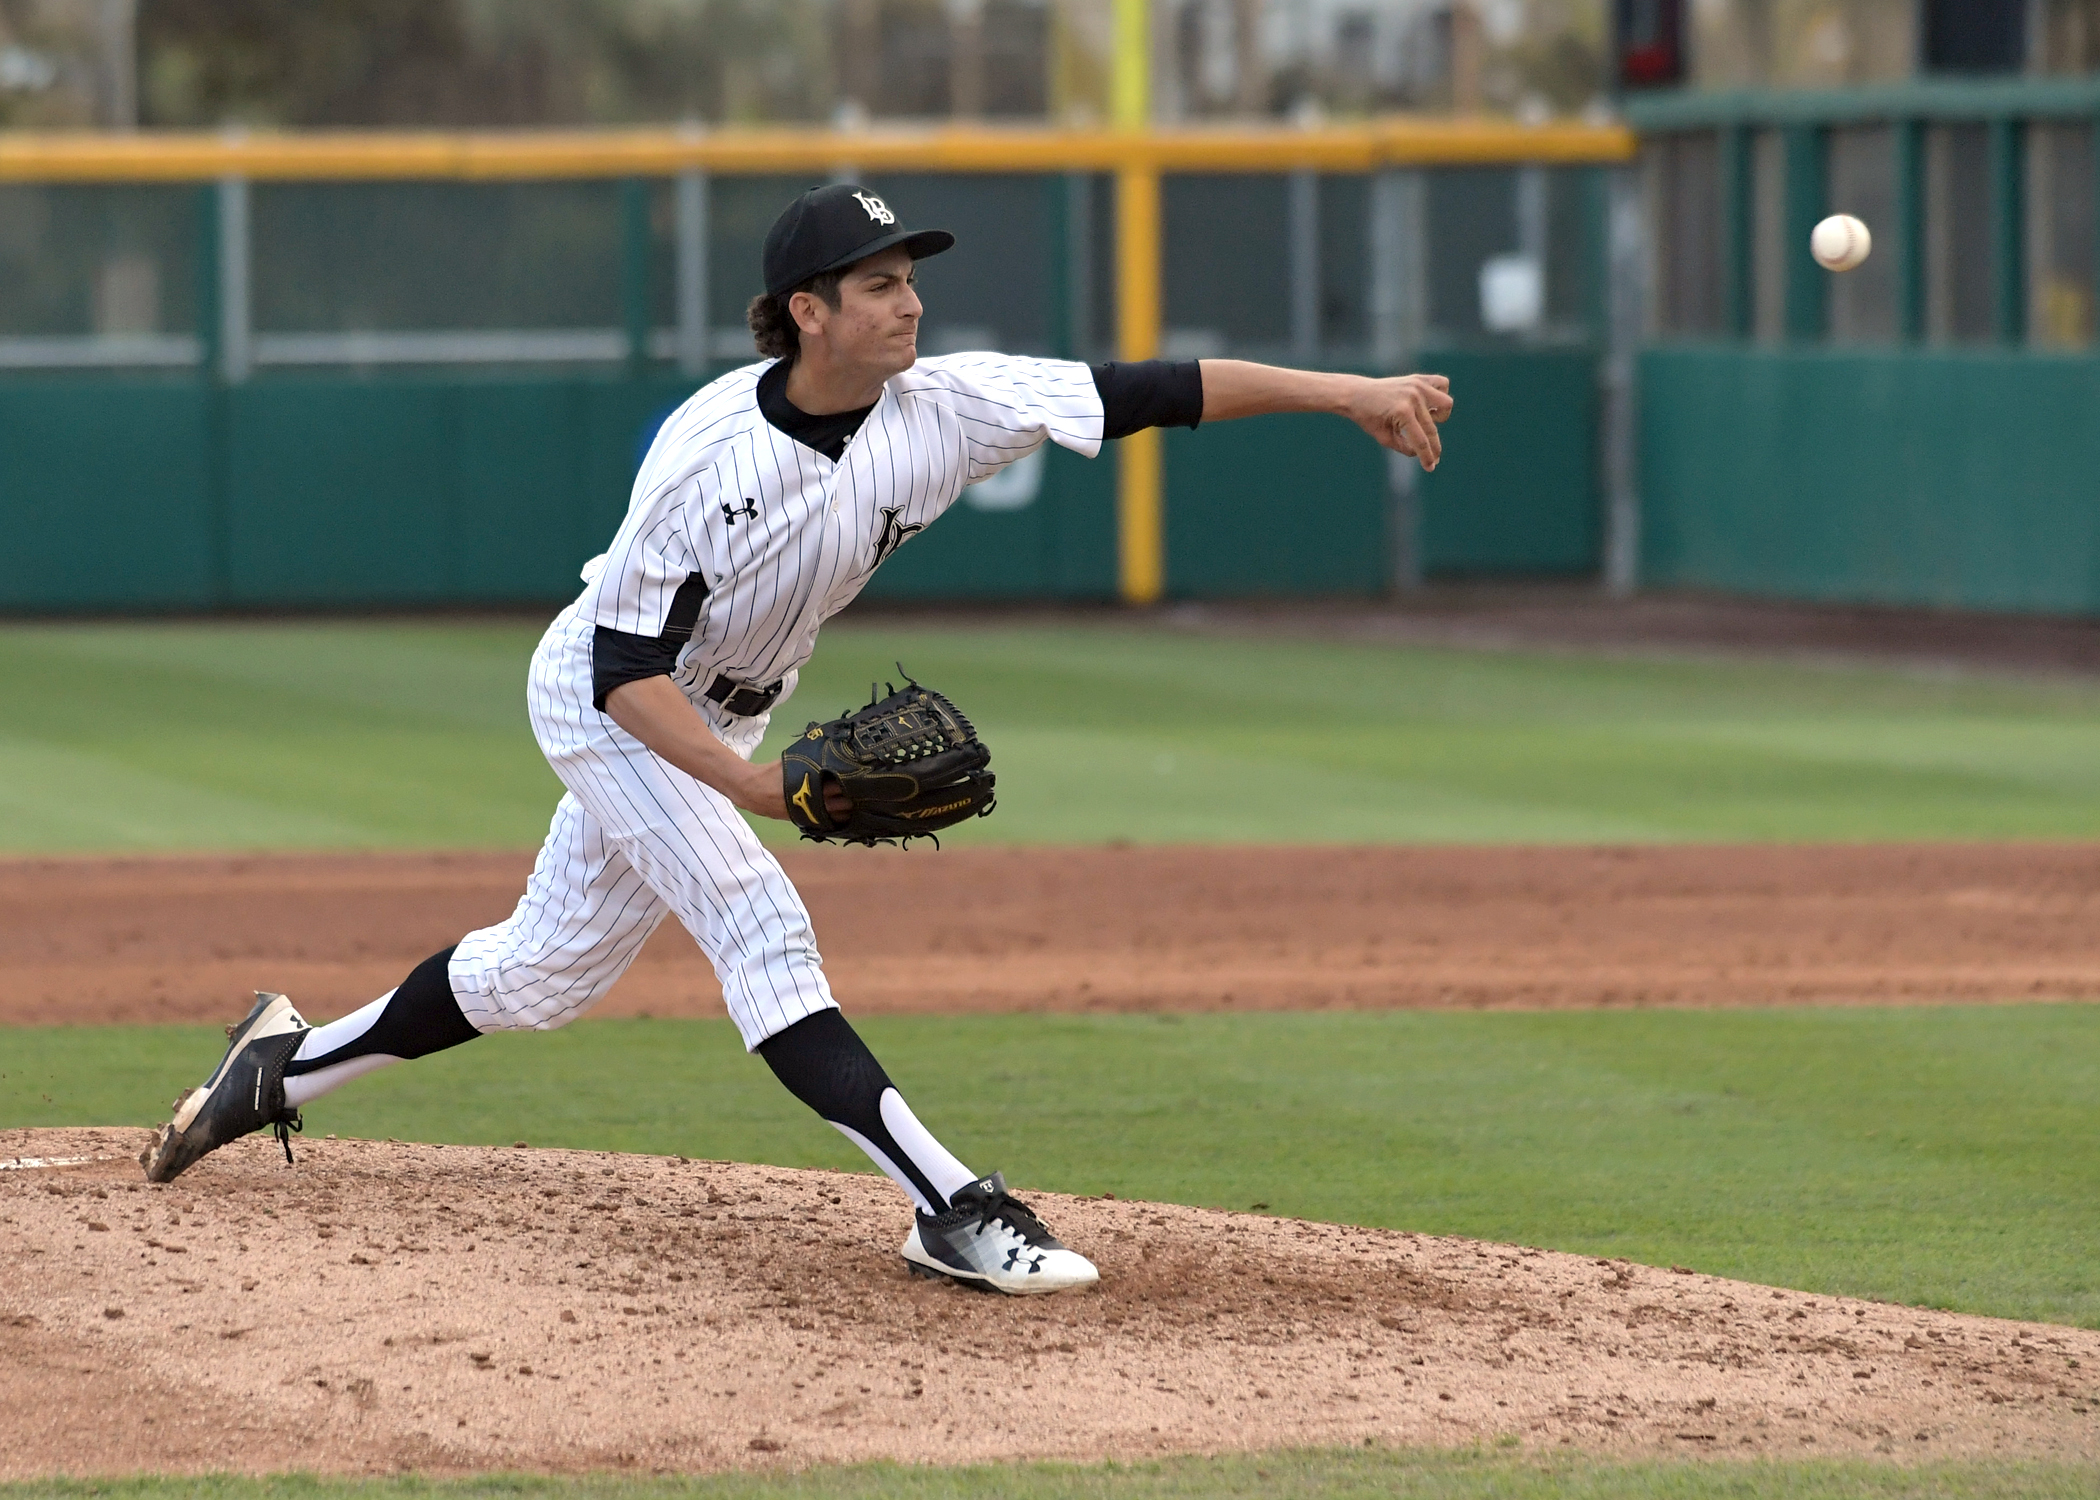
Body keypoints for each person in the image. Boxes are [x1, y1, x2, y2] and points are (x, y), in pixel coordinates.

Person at [142, 183, 1453, 1295]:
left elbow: (1153, 388)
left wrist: (1351, 392)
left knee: (542, 978)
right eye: (875, 284)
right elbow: (620, 671)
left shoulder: (951, 406)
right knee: (759, 925)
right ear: (806, 312)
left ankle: (279, 1068)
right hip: (618, 704)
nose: (908, 302)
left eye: (909, 279)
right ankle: (953, 1207)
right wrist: (754, 789)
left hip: (730, 702)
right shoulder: (712, 460)